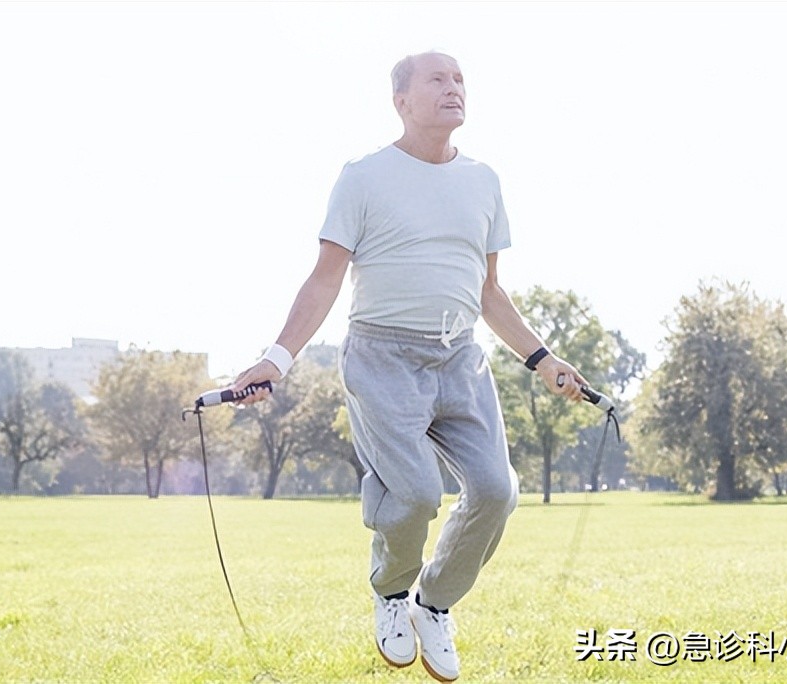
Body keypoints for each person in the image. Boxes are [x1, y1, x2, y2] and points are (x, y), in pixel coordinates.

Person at [227, 51, 591, 682]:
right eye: (438, 80)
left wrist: (543, 359)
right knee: (417, 493)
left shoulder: (484, 181)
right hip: (382, 355)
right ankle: (392, 593)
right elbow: (324, 279)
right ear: (401, 100)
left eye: (460, 80)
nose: (454, 89)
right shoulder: (364, 176)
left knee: (498, 491)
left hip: (461, 358)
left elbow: (490, 291)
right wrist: (275, 360)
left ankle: (434, 602)